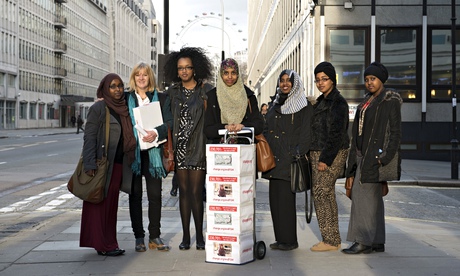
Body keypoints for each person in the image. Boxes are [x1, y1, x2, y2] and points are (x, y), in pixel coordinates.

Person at [342, 62, 402, 254]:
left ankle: (363, 241)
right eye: (366, 79)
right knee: (374, 201)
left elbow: (395, 134)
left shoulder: (389, 102)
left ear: (381, 80)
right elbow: (356, 134)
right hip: (362, 156)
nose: (369, 83)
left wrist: (383, 158)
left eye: (373, 79)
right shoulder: (365, 103)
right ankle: (376, 241)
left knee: (363, 199)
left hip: (373, 158)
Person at [79, 73, 136, 256]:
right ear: (105, 88)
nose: (118, 89)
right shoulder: (99, 108)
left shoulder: (124, 108)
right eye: (113, 86)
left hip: (118, 165)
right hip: (101, 165)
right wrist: (89, 164)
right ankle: (104, 245)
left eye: (120, 86)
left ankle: (108, 242)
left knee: (111, 207)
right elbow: (89, 137)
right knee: (99, 205)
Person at [119, 62, 173, 253]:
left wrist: (156, 133)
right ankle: (139, 237)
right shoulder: (126, 99)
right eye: (138, 75)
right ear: (133, 78)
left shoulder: (161, 98)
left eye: (145, 75)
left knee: (155, 196)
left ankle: (155, 236)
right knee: (135, 197)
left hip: (153, 153)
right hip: (133, 154)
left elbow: (169, 122)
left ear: (150, 78)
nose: (141, 78)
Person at [164, 47, 213, 251]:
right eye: (180, 68)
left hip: (199, 146)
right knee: (183, 192)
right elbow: (167, 120)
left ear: (195, 69)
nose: (184, 71)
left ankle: (199, 236)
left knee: (196, 191)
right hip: (180, 147)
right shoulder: (173, 92)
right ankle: (186, 236)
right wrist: (170, 148)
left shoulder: (205, 90)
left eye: (188, 68)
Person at [262, 69, 314, 251]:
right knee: (275, 201)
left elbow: (306, 134)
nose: (284, 84)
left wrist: (296, 152)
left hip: (289, 160)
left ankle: (290, 240)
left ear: (295, 83)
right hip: (273, 160)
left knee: (285, 202)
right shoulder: (275, 103)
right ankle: (280, 239)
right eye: (282, 80)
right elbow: (266, 128)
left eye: (288, 81)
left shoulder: (303, 105)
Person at [309, 62, 350, 252]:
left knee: (321, 192)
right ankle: (332, 239)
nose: (320, 83)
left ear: (332, 79)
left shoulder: (338, 102)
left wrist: (325, 159)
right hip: (318, 152)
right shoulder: (321, 101)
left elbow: (336, 133)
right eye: (317, 79)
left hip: (331, 153)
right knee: (325, 194)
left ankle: (330, 240)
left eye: (324, 79)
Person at [204, 58, 264, 144]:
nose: (230, 77)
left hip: (245, 150)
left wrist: (243, 126)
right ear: (221, 75)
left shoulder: (248, 96)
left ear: (238, 74)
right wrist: (225, 127)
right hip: (219, 151)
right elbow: (208, 129)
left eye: (233, 73)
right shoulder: (212, 97)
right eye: (226, 73)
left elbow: (259, 125)